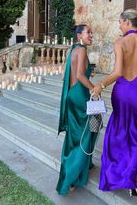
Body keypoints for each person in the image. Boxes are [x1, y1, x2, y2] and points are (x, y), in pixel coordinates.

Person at [92, 9, 137, 196]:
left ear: (127, 22)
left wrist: (100, 84)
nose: (119, 26)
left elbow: (118, 72)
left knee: (118, 132)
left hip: (122, 91)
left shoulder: (120, 42)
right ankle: (131, 180)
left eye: (120, 23)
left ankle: (115, 176)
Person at [56, 24, 98, 195]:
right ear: (80, 35)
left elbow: (70, 75)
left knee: (81, 133)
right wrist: (95, 88)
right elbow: (80, 75)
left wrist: (88, 73)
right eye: (89, 32)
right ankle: (71, 178)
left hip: (73, 95)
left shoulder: (73, 49)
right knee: (86, 133)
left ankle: (84, 166)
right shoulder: (81, 50)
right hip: (80, 97)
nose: (91, 35)